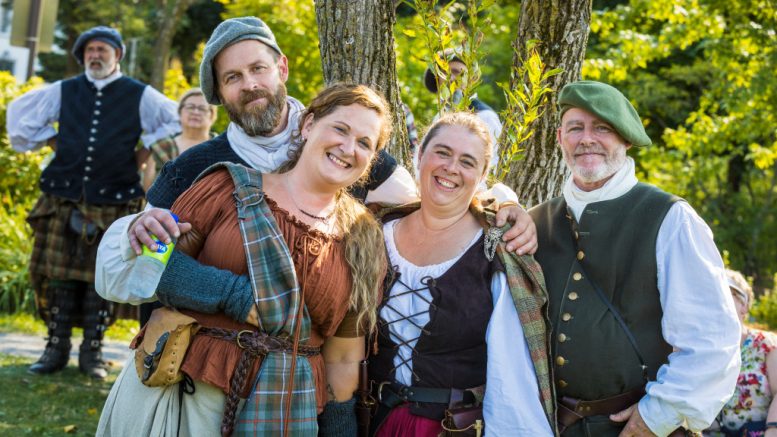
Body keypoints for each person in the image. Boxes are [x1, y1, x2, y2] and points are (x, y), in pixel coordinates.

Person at [95, 16, 538, 328]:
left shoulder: (347, 149)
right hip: (209, 362)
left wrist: (504, 201)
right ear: (219, 93)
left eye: (257, 69)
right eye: (232, 77)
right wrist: (229, 292)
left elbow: (433, 202)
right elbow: (139, 264)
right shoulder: (193, 168)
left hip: (316, 357)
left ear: (281, 68)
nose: (249, 84)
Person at [97, 83, 391, 436]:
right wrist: (232, 295)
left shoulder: (364, 239)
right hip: (188, 396)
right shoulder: (226, 187)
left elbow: (343, 357)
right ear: (309, 124)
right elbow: (154, 266)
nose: (348, 148)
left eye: (364, 143)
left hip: (288, 414)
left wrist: (339, 431)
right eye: (340, 129)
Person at [529, 80, 741, 436]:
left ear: (625, 138)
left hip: (642, 428)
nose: (587, 139)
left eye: (603, 128)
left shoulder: (670, 218)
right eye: (575, 128)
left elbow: (711, 339)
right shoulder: (536, 221)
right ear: (559, 138)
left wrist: (657, 416)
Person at [6, 25, 179, 379]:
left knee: (100, 278)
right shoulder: (64, 90)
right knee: (58, 278)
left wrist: (143, 150)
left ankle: (93, 353)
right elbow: (20, 123)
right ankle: (55, 350)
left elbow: (175, 121)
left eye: (102, 49)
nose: (95, 55)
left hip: (114, 200)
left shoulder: (139, 94)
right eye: (89, 50)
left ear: (117, 54)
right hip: (63, 196)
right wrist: (56, 143)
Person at [368, 112, 555, 436]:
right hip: (373, 421)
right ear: (421, 154)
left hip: (453, 428)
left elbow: (510, 371)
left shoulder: (495, 250)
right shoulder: (378, 232)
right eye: (442, 152)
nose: (451, 168)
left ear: (482, 174)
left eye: (467, 161)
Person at [709, 270, 777, 437]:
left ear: (744, 306)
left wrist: (773, 428)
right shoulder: (705, 349)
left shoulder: (765, 344)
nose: (720, 298)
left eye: (728, 292)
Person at [420, 49, 502, 171]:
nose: (451, 78)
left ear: (471, 79)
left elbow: (493, 164)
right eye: (443, 73)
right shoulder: (438, 117)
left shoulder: (485, 116)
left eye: (457, 72)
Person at [142, 87, 217, 191]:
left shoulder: (222, 147)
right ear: (179, 112)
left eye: (202, 108)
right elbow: (148, 190)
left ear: (212, 116)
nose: (195, 112)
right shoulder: (161, 147)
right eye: (190, 107)